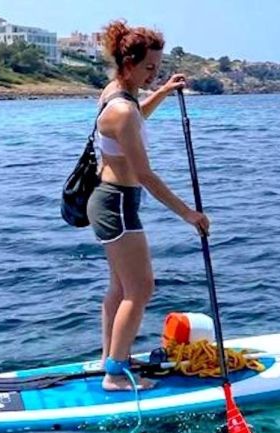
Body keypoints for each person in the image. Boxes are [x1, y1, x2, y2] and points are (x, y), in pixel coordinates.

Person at [88, 20, 210, 391]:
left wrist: (165, 92)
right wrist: (189, 214)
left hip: (110, 201)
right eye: (149, 69)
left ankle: (110, 356)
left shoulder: (116, 94)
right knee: (140, 289)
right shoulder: (121, 110)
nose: (153, 75)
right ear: (128, 64)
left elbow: (136, 116)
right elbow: (145, 174)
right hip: (119, 204)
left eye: (158, 69)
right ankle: (116, 373)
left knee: (120, 288)